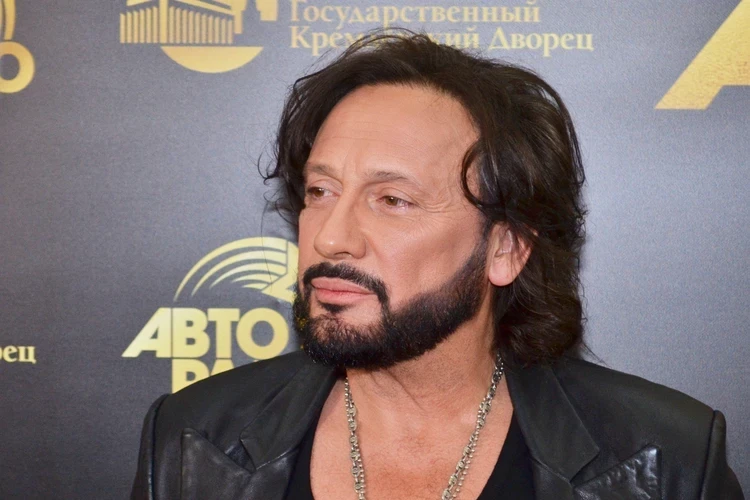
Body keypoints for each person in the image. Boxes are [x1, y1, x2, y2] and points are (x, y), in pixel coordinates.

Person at [130, 31, 744, 500]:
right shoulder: (191, 441)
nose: (331, 237)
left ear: (505, 249)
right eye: (320, 192)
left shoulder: (667, 461)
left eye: (393, 200)